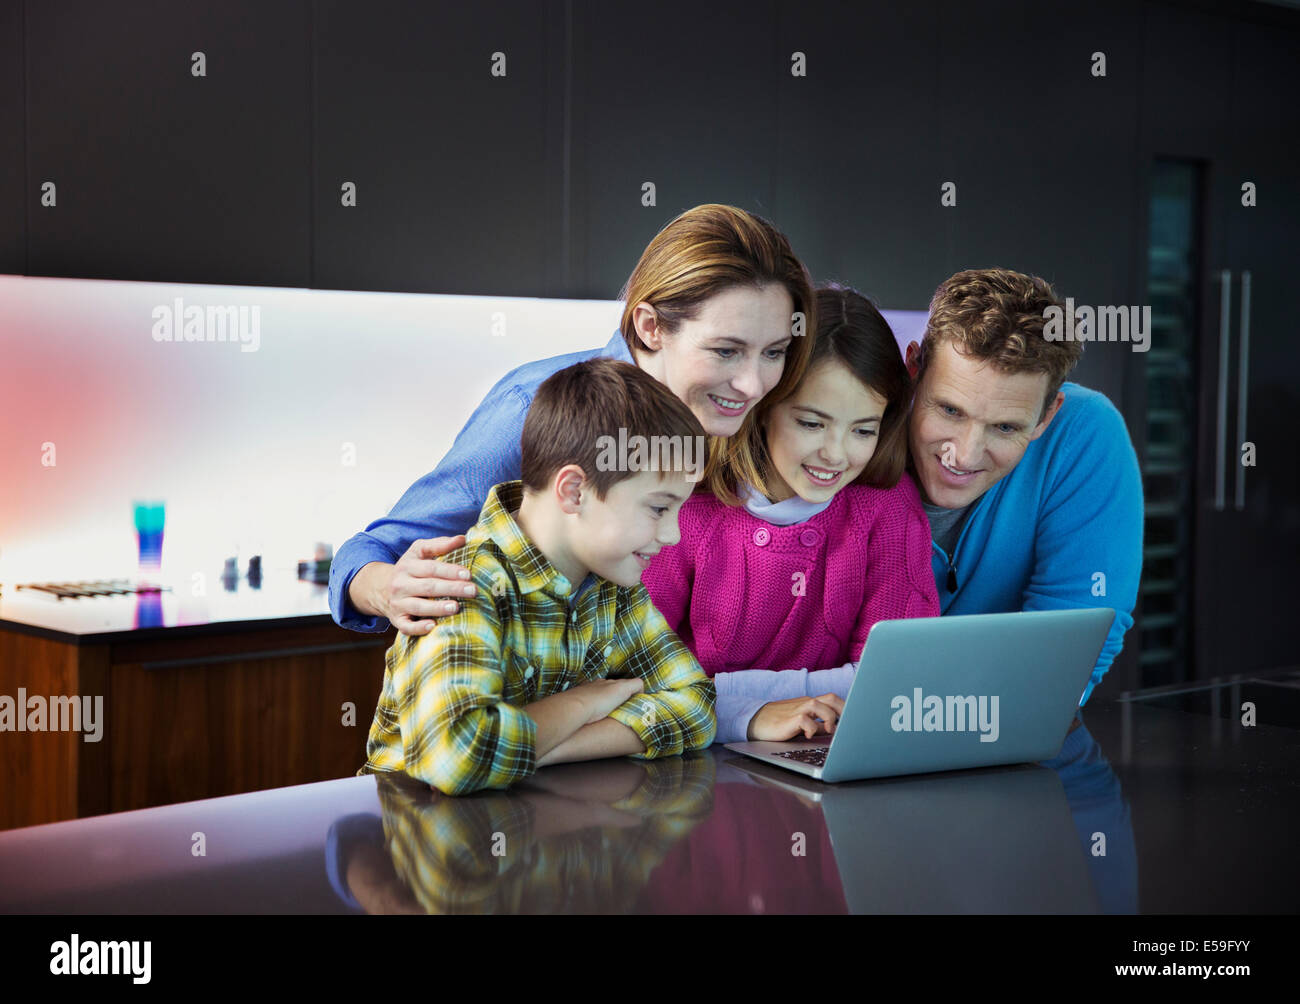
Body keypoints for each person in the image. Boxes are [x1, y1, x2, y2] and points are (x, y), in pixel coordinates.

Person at [329, 204, 816, 636]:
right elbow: (371, 554)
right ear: (650, 327)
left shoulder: (739, 418)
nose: (753, 385)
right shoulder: (534, 407)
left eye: (773, 352)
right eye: (726, 351)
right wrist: (386, 587)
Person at [358, 359, 716, 795]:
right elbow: (459, 757)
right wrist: (583, 703)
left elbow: (696, 707)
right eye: (659, 508)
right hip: (428, 833)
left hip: (541, 822)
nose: (673, 534)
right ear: (574, 491)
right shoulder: (462, 585)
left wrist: (551, 745)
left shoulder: (613, 584)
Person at [642, 284, 940, 744]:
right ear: (762, 406)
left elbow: (902, 684)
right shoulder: (684, 503)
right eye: (811, 423)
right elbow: (632, 681)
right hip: (687, 769)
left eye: (863, 430)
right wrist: (753, 714)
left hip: (831, 766)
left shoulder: (888, 506)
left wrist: (721, 695)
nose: (836, 454)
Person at [902, 268, 1142, 704]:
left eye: (1006, 427)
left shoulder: (1086, 433)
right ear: (913, 369)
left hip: (1002, 726)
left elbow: (1075, 637)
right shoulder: (847, 427)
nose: (966, 454)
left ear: (1048, 415)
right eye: (951, 411)